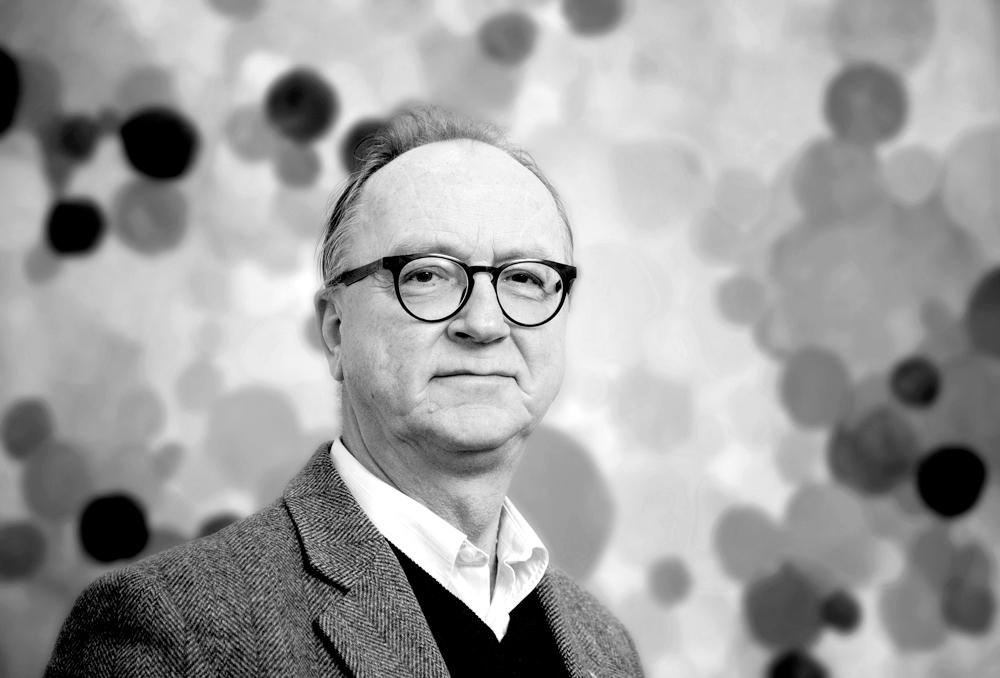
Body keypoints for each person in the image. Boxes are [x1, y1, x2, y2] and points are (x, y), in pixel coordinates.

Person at [45, 105, 645, 677]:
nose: (485, 323)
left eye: (526, 279)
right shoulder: (172, 629)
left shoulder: (605, 644)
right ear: (335, 331)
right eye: (427, 274)